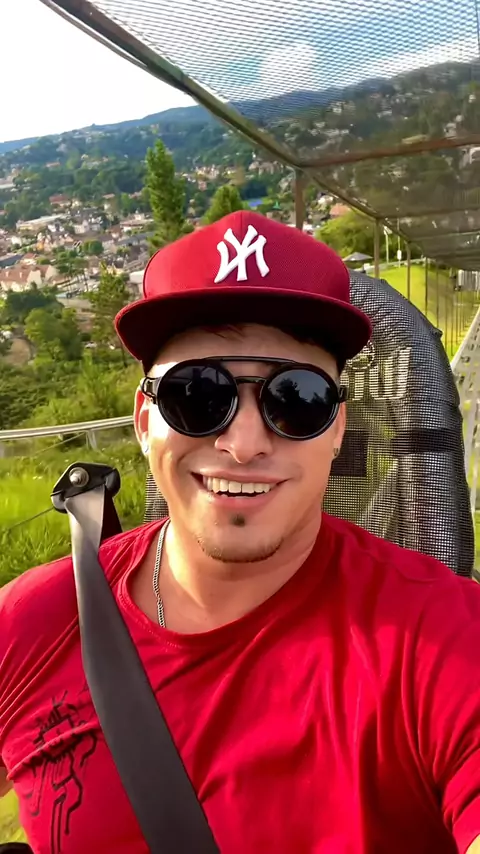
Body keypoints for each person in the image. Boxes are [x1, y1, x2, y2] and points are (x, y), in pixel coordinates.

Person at [1, 210, 480, 854]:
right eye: (197, 395)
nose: (244, 443)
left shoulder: (445, 639)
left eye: (298, 399)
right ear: (144, 421)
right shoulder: (30, 624)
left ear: (338, 429)